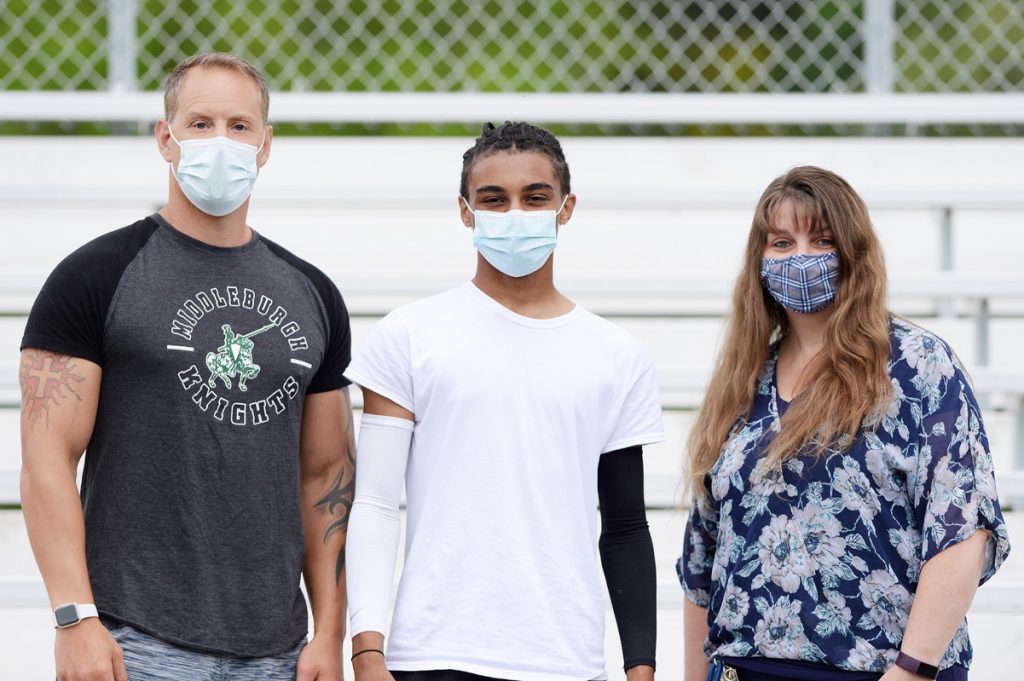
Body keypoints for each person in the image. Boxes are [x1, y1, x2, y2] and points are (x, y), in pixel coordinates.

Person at [19, 52, 353, 681]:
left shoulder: (313, 292)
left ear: (266, 144)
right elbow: (45, 462)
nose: (220, 141)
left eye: (239, 125)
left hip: (280, 649)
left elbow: (326, 476)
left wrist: (328, 633)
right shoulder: (94, 276)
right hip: (133, 640)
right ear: (165, 138)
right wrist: (75, 618)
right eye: (200, 124)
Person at [344, 121, 664, 681]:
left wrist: (641, 667)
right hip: (431, 656)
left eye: (534, 197)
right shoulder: (410, 335)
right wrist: (367, 651)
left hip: (567, 662)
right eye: (494, 200)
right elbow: (373, 502)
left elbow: (626, 525)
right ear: (466, 212)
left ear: (566, 208)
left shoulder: (618, 356)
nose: (515, 213)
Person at [677, 166, 1011, 681]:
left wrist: (911, 671)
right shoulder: (741, 384)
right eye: (782, 243)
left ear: (853, 251)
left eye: (822, 239)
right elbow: (703, 561)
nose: (801, 257)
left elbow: (962, 530)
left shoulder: (917, 366)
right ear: (759, 260)